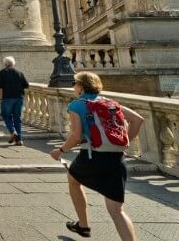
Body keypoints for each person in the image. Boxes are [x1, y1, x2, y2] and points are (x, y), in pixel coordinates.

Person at [50, 72, 144, 240]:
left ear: (80, 87)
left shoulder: (77, 105)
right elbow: (138, 120)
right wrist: (124, 142)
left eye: (75, 84)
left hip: (92, 156)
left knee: (73, 179)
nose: (73, 87)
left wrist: (61, 150)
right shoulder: (110, 103)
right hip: (116, 158)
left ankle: (84, 226)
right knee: (117, 210)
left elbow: (76, 136)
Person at [0, 56, 29, 146]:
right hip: (19, 98)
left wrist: (1, 98)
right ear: (13, 63)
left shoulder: (2, 72)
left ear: (5, 64)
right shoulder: (19, 72)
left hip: (7, 98)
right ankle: (19, 140)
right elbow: (26, 85)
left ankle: (12, 131)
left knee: (6, 115)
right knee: (17, 118)